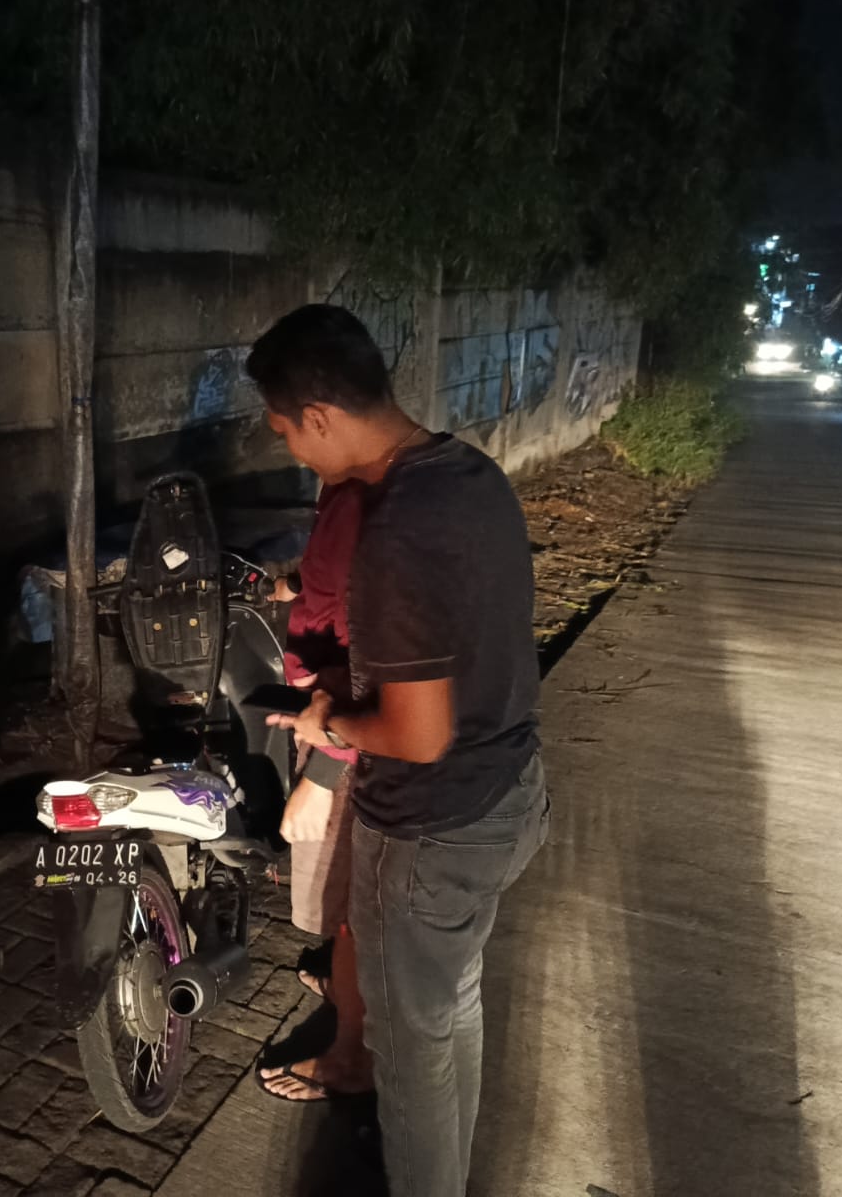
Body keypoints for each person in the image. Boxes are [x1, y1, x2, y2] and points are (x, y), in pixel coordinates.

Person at [252, 305, 548, 1197]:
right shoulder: (468, 472)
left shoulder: (397, 528)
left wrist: (329, 727)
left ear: (318, 416)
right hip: (508, 790)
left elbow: (418, 735)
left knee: (410, 1061)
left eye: (283, 431)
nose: (288, 449)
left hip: (432, 828)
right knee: (450, 1010)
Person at [254, 477, 372, 1103]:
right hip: (330, 718)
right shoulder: (346, 492)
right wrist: (290, 588)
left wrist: (323, 771)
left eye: (287, 431)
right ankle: (348, 988)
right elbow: (329, 581)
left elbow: (369, 661)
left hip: (347, 733)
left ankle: (353, 1054)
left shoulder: (367, 498)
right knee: (346, 896)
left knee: (355, 907)